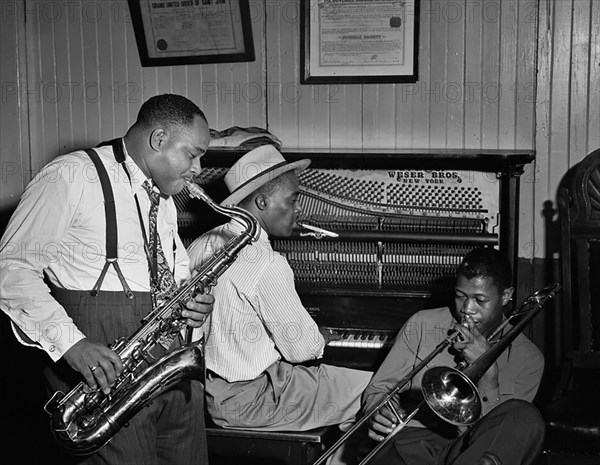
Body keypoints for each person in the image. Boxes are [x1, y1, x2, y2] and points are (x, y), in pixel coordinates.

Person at [0, 94, 214, 465]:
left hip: (169, 374)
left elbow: (169, 273)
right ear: (159, 139)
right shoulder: (71, 174)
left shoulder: (162, 194)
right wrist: (72, 345)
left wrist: (193, 303)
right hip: (104, 369)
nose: (198, 168)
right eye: (193, 154)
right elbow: (12, 269)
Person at [187, 144, 373, 431]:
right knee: (381, 391)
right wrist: (319, 337)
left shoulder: (201, 243)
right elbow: (302, 350)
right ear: (262, 202)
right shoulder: (267, 262)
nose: (298, 209)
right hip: (254, 398)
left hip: (205, 392)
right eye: (293, 199)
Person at [360, 247, 545, 465]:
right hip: (411, 440)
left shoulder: (529, 358)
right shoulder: (421, 324)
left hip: (470, 449)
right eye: (460, 296)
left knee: (527, 418)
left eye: (480, 300)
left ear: (506, 296)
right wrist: (377, 411)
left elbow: (503, 435)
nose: (467, 309)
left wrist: (488, 372)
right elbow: (379, 389)